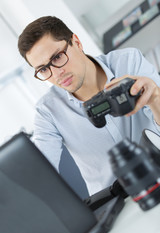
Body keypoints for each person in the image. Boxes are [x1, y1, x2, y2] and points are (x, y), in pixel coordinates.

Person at [18, 16, 160, 196]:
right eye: (44, 69)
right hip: (116, 203)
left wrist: (155, 98)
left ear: (76, 42)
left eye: (58, 57)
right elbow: (41, 172)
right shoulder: (48, 111)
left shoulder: (127, 62)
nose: (56, 74)